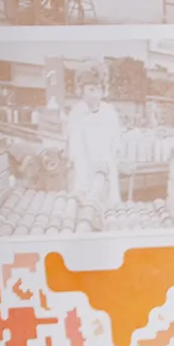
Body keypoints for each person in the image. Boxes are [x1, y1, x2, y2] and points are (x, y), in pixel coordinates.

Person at [65, 66, 124, 230]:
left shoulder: (109, 112)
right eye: (91, 89)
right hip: (85, 172)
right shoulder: (77, 113)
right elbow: (77, 150)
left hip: (107, 169)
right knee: (86, 215)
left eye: (98, 89)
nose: (95, 94)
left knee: (109, 215)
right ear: (81, 91)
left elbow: (116, 142)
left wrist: (107, 164)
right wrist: (90, 180)